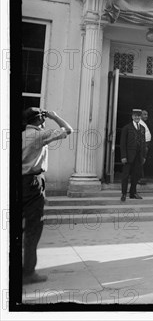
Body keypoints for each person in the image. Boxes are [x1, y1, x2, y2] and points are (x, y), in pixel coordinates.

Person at [22, 107, 73, 285]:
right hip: (33, 183)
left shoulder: (21, 134)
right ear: (39, 120)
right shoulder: (39, 135)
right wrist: (55, 116)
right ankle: (28, 272)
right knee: (33, 228)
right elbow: (68, 130)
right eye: (43, 117)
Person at [120, 108, 147, 201]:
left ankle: (133, 193)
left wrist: (143, 156)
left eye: (139, 116)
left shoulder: (142, 128)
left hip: (138, 156)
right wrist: (123, 156)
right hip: (128, 156)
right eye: (135, 116)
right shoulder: (126, 128)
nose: (137, 117)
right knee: (126, 175)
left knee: (136, 175)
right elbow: (122, 144)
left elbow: (143, 144)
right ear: (132, 116)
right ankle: (123, 194)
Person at [137, 109, 152, 185]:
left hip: (145, 144)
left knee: (142, 161)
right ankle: (139, 178)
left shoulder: (143, 123)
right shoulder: (139, 123)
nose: (146, 116)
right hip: (142, 144)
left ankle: (140, 177)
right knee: (141, 160)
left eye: (147, 114)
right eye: (144, 114)